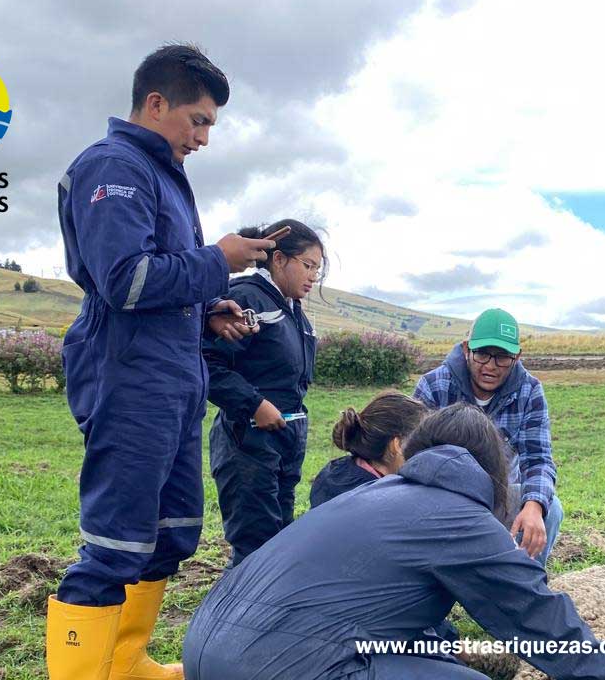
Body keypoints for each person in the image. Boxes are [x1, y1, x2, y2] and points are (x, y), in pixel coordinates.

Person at [47, 43, 275, 680]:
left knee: (169, 533)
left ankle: (124, 663)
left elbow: (157, 285)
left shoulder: (163, 173)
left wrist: (207, 309)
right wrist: (217, 261)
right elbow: (124, 281)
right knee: (116, 542)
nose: (204, 138)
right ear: (156, 104)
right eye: (198, 120)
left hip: (174, 374)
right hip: (128, 375)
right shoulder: (112, 168)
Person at [181, 404, 605, 680]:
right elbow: (536, 616)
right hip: (273, 666)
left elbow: (387, 625)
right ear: (492, 470)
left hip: (204, 648)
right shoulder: (463, 518)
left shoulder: (372, 493)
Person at [203, 219, 325, 567]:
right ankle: (232, 618)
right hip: (248, 441)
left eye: (317, 269)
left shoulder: (293, 310)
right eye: (308, 265)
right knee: (254, 546)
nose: (313, 277)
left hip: (283, 437)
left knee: (280, 539)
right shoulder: (245, 297)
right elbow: (208, 362)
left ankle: (271, 618)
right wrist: (254, 405)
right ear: (279, 260)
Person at [413, 308, 562, 567]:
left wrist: (534, 505)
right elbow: (412, 457)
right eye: (482, 354)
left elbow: (538, 459)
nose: (491, 366)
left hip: (500, 497)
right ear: (466, 348)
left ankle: (524, 587)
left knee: (551, 508)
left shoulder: (530, 391)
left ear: (517, 356)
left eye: (502, 357)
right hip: (443, 498)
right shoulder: (433, 386)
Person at [309, 390, 428, 508]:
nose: (429, 452)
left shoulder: (335, 471)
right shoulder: (383, 502)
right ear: (396, 446)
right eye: (424, 445)